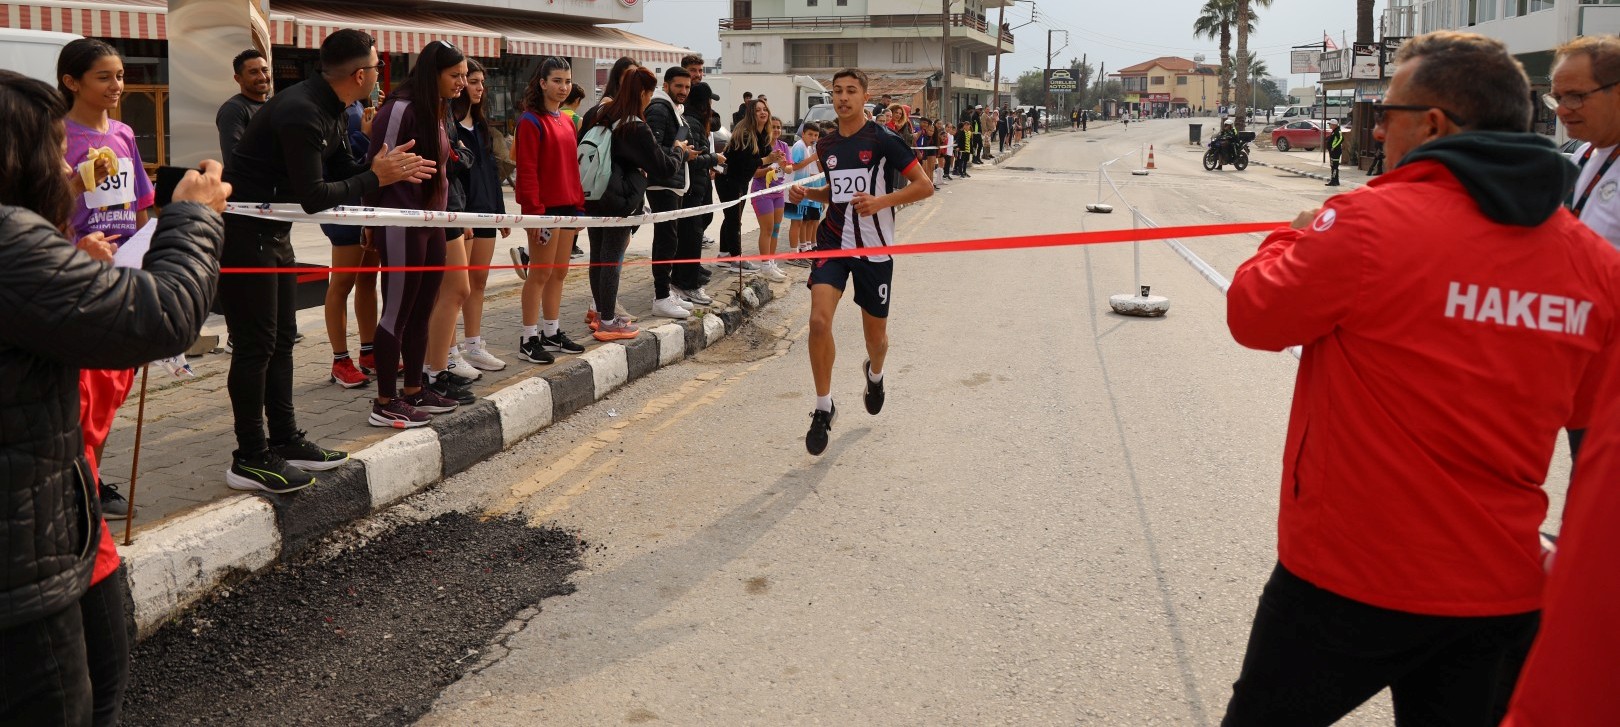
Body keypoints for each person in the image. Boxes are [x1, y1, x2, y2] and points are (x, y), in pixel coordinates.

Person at [1220, 31, 1620, 725]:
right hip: (1500, 588)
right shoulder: (1594, 263)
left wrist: (1293, 234)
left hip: (1348, 577)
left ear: (1432, 124)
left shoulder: (1367, 223)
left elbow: (1254, 314)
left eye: (1387, 114)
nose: (1377, 129)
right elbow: (1589, 420)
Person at [0, 68, 229, 727]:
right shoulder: (11, 241)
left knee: (103, 676)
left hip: (57, 520)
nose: (64, 168)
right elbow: (159, 316)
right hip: (23, 566)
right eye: (53, 151)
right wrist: (194, 218)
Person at [222, 29, 430, 489]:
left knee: (282, 342)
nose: (379, 76)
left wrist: (383, 167)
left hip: (274, 235)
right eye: (377, 68)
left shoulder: (333, 107)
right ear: (359, 74)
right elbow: (315, 197)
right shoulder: (301, 110)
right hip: (243, 236)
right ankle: (249, 456)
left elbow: (342, 172)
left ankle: (285, 439)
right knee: (256, 347)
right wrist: (376, 177)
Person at [787, 68, 933, 456]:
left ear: (864, 97)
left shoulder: (884, 139)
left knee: (876, 340)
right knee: (818, 322)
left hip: (874, 249)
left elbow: (924, 186)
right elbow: (836, 193)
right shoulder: (827, 145)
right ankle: (824, 407)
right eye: (837, 91)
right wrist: (808, 193)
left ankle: (875, 374)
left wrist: (881, 202)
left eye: (851, 91)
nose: (842, 97)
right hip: (833, 243)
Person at [363, 40, 467, 427]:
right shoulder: (399, 108)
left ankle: (413, 389)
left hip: (432, 222)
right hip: (400, 221)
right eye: (455, 75)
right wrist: (371, 222)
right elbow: (375, 167)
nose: (461, 82)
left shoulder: (436, 108)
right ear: (432, 74)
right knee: (396, 312)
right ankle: (385, 401)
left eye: (464, 75)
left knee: (423, 309)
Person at [581, 65, 682, 341]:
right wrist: (679, 151)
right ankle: (608, 321)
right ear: (643, 93)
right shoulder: (634, 125)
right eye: (650, 93)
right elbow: (664, 168)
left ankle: (600, 314)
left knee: (598, 256)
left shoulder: (600, 113)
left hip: (593, 193)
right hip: (618, 200)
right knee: (612, 259)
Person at [511, 57, 588, 365]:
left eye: (567, 81)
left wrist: (579, 207)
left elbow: (572, 167)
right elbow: (527, 171)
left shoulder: (567, 121)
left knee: (559, 272)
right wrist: (534, 214)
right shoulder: (530, 121)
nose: (563, 87)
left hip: (568, 207)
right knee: (540, 274)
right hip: (545, 209)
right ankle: (528, 338)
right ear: (542, 83)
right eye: (557, 81)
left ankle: (551, 331)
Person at [448, 59, 510, 375]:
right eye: (473, 81)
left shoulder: (483, 126)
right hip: (461, 215)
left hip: (487, 211)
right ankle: (448, 351)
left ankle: (473, 345)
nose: (479, 88)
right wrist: (462, 217)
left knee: (479, 282)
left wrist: (500, 214)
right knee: (455, 289)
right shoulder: (450, 125)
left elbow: (492, 173)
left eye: (481, 82)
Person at [320, 98, 379, 390]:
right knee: (342, 284)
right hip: (344, 207)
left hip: (367, 205)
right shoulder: (329, 108)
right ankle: (340, 360)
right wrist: (364, 136)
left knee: (368, 279)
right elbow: (335, 162)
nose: (375, 76)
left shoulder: (359, 104)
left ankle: (368, 351)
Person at [645, 66, 697, 319]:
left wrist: (684, 152)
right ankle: (661, 297)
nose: (683, 91)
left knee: (670, 241)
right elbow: (653, 148)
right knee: (666, 242)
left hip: (673, 182)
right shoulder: (659, 108)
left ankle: (665, 293)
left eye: (687, 87)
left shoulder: (675, 110)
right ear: (666, 86)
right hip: (662, 183)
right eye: (679, 86)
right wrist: (681, 151)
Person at [672, 80, 720, 304]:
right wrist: (715, 159)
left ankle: (683, 280)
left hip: (694, 187)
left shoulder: (691, 121)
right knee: (691, 237)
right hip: (692, 188)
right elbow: (692, 158)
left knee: (690, 235)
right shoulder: (693, 122)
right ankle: (688, 284)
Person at [718, 98, 776, 273]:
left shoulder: (762, 133)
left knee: (731, 218)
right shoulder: (744, 133)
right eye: (758, 110)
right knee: (734, 220)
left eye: (764, 109)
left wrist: (775, 157)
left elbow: (765, 156)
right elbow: (746, 163)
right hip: (729, 180)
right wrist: (767, 160)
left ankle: (724, 255)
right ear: (751, 114)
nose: (762, 112)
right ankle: (736, 259)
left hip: (740, 180)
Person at [783, 120, 825, 268]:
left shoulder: (808, 148)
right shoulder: (799, 146)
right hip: (795, 190)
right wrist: (811, 159)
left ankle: (803, 251)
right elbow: (793, 166)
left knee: (801, 221)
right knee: (796, 222)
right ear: (803, 134)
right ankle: (793, 254)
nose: (813, 138)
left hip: (802, 190)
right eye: (810, 134)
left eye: (816, 135)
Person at [216, 48, 270, 160]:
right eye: (253, 72)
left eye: (265, 70)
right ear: (238, 79)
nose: (262, 77)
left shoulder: (273, 104)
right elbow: (235, 159)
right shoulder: (233, 110)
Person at [1325, 119, 1344, 186]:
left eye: (1330, 124)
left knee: (1334, 166)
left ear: (1334, 125)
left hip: (1336, 152)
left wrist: (1334, 147)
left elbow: (1341, 139)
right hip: (1332, 152)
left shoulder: (1338, 131)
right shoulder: (1334, 131)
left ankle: (1333, 181)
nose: (1329, 125)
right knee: (1333, 166)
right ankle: (1336, 181)